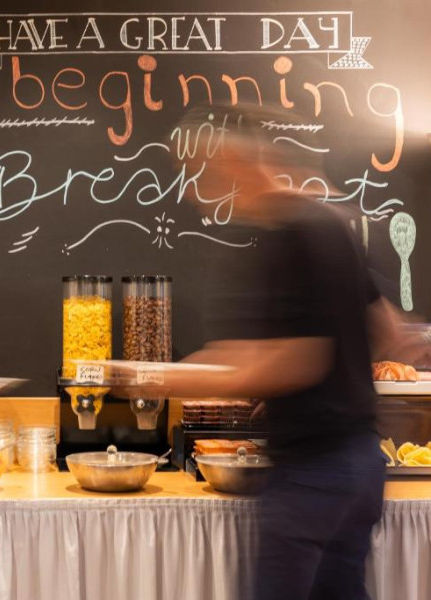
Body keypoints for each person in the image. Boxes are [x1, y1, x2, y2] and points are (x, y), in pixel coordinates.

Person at [120, 103, 415, 599]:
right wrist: (321, 385)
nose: (189, 189)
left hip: (313, 474)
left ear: (232, 163)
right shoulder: (331, 222)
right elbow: (388, 330)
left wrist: (157, 377)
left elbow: (297, 361)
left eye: (196, 172)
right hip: (360, 464)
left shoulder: (292, 235)